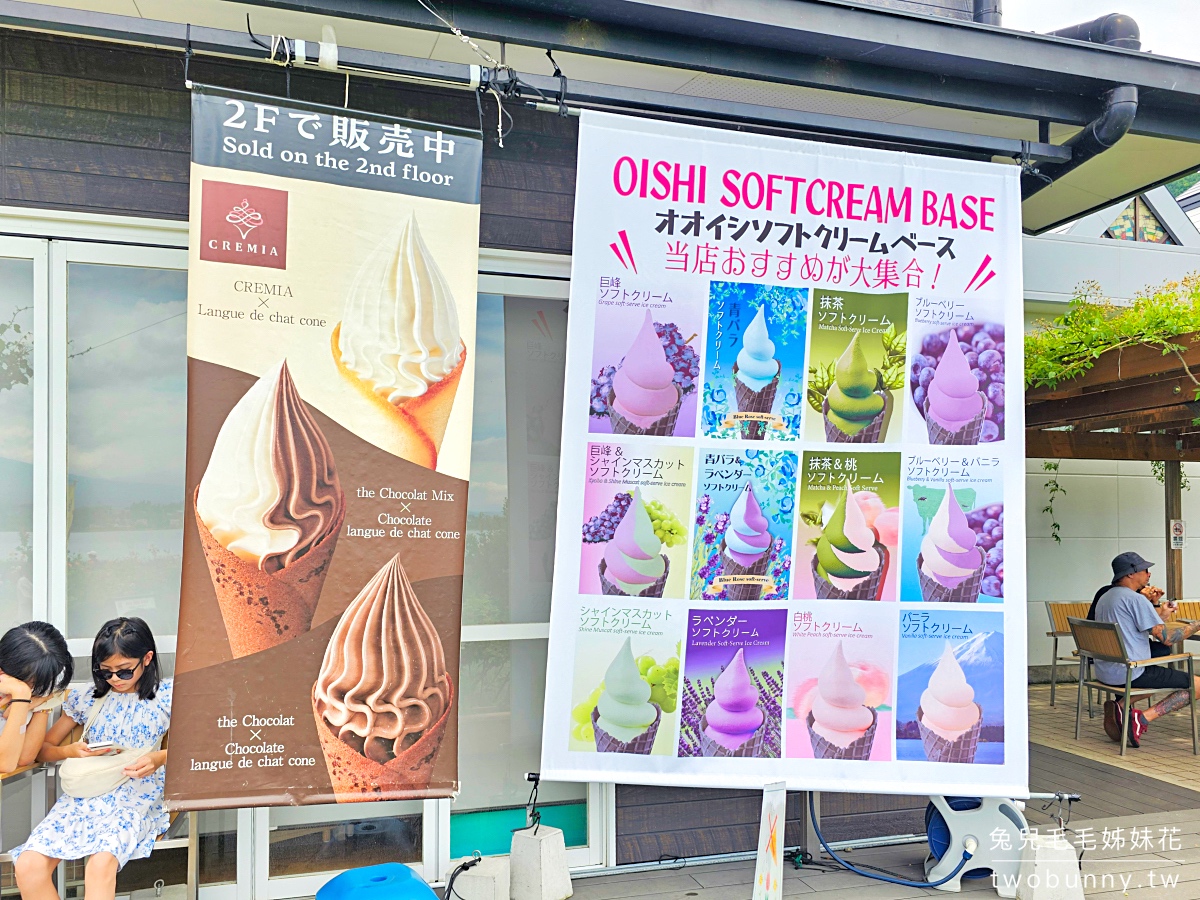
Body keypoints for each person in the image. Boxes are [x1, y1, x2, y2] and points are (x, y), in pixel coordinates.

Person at [12, 617, 172, 900]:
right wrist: (70, 751)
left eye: (124, 672)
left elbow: (201, 747)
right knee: (29, 864)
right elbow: (44, 749)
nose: (114, 680)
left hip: (136, 793)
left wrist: (159, 758)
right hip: (85, 796)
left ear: (147, 659)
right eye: (106, 671)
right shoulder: (88, 697)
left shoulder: (167, 697)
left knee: (100, 864)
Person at [1091, 552, 1200, 748]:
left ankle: (1121, 706)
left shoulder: (1106, 596)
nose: (1148, 575)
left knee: (1160, 660)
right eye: (1145, 570)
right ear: (1130, 574)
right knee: (1198, 685)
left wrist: (1156, 607)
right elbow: (1168, 638)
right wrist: (1197, 624)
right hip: (1131, 671)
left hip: (1106, 670)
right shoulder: (1135, 599)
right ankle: (1140, 720)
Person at [0, 622, 73, 774]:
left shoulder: (30, 695)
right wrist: (21, 695)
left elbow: (25, 757)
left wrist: (42, 701)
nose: (33, 689)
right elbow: (4, 764)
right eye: (31, 682)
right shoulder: (20, 693)